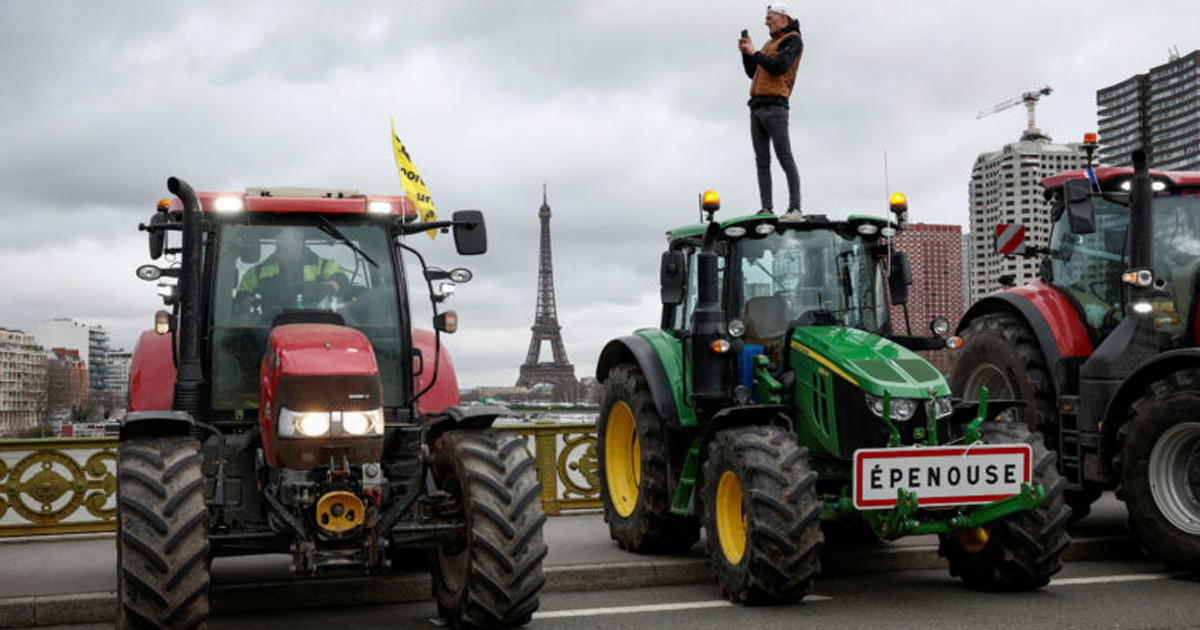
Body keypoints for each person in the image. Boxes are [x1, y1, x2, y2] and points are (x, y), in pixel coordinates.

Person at [739, 4, 804, 218]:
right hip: (757, 106)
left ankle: (795, 207)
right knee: (762, 160)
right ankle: (766, 208)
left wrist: (755, 53)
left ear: (783, 18)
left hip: (775, 105)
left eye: (769, 17)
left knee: (784, 156)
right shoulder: (770, 43)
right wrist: (747, 54)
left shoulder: (793, 40)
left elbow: (779, 67)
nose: (766, 22)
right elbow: (753, 72)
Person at [236, 227, 348, 314]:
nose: (285, 244)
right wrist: (244, 299)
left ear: (301, 242)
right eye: (282, 239)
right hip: (271, 323)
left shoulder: (323, 265)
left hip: (316, 321)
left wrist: (335, 283)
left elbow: (340, 277)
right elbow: (243, 293)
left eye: (291, 239)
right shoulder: (258, 271)